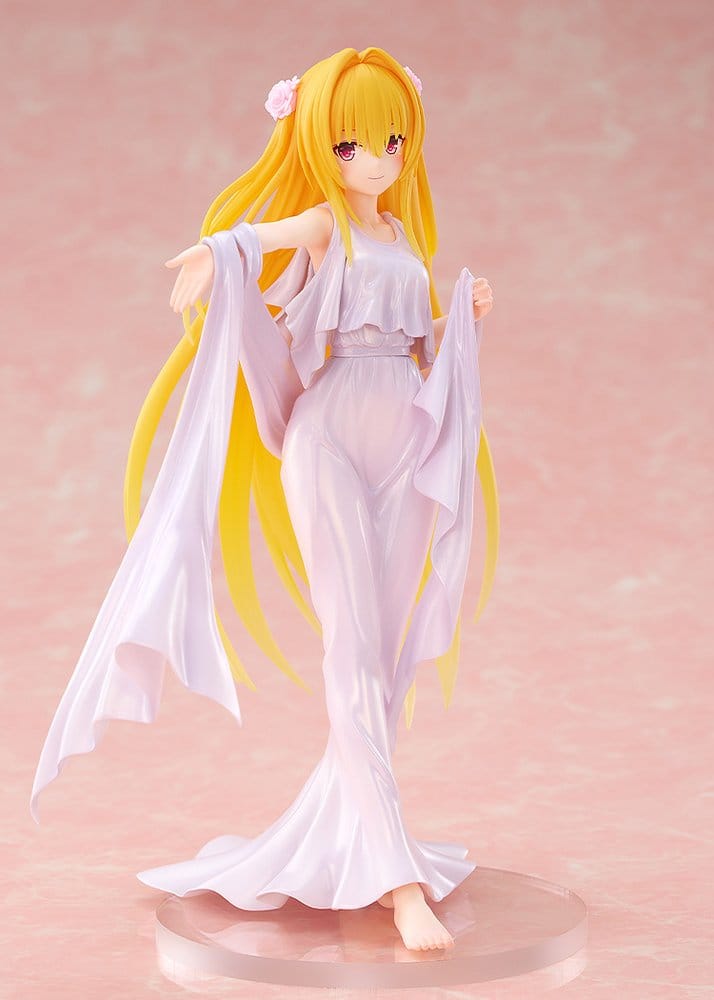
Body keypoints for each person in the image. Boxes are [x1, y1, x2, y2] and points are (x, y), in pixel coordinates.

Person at [30, 46, 498, 953]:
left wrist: (462, 323)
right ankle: (398, 881)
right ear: (322, 143)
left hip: (405, 440)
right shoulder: (328, 223)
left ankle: (353, 840)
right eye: (354, 143)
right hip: (328, 442)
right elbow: (256, 239)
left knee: (384, 657)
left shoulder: (403, 237)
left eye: (393, 139)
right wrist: (215, 257)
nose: (377, 159)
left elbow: (417, 346)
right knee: (350, 650)